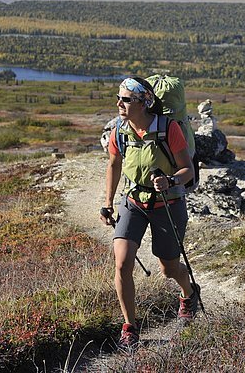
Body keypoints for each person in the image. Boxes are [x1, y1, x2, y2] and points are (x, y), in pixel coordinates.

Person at [100, 77, 200, 349]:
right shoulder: (119, 131)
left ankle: (189, 293)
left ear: (144, 103)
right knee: (122, 263)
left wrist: (171, 181)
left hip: (167, 204)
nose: (119, 103)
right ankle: (129, 328)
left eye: (126, 99)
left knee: (168, 269)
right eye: (118, 98)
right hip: (133, 202)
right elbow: (113, 165)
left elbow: (187, 169)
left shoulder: (169, 129)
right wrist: (108, 203)